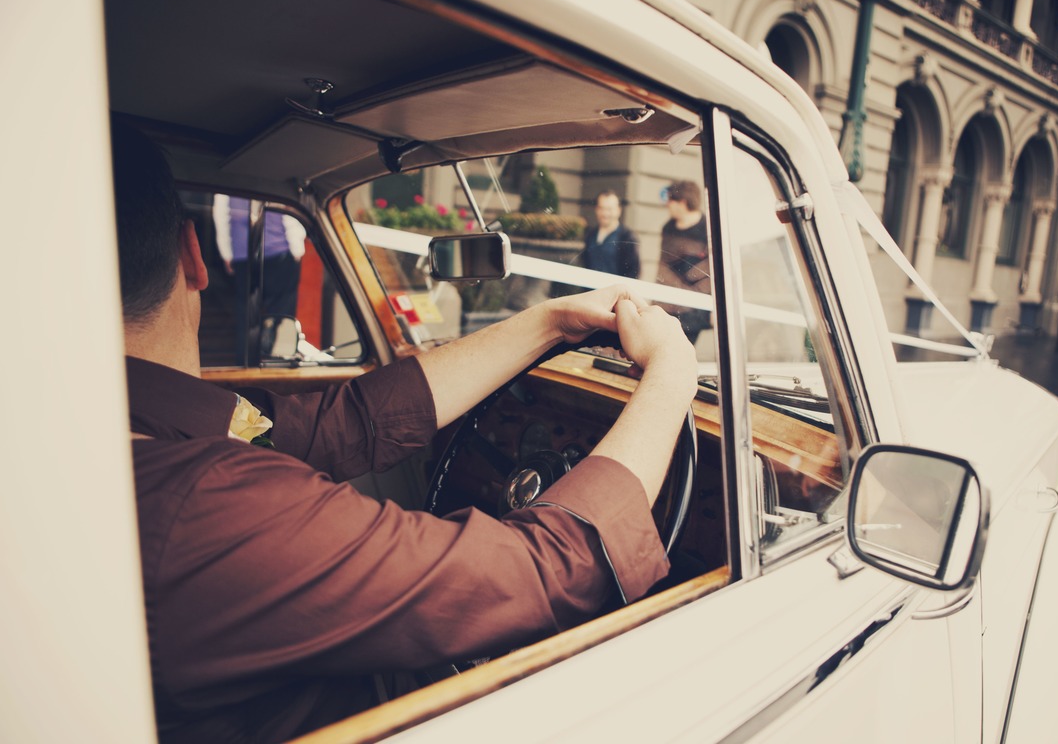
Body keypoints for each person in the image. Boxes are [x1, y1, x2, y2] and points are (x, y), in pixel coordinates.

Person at [112, 119, 696, 743]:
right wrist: (671, 375)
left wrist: (550, 323)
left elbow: (347, 423)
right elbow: (551, 566)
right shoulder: (205, 505)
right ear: (193, 255)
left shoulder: (145, 432)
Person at [213, 193, 306, 359]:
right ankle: (275, 358)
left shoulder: (228, 178)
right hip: (278, 251)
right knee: (280, 313)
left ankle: (245, 362)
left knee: (246, 314)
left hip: (243, 254)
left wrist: (227, 252)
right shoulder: (269, 172)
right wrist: (297, 246)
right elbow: (289, 211)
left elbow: (220, 215)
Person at [656, 180, 711, 343]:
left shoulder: (708, 228)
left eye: (670, 200)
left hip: (695, 305)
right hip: (669, 301)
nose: (667, 205)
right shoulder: (668, 228)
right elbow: (663, 264)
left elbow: (717, 270)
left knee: (683, 348)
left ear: (682, 203)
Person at [580, 190, 640, 279]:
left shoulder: (627, 237)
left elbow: (633, 272)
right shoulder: (590, 235)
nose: (605, 213)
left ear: (618, 210)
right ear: (596, 210)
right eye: (601, 208)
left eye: (609, 209)